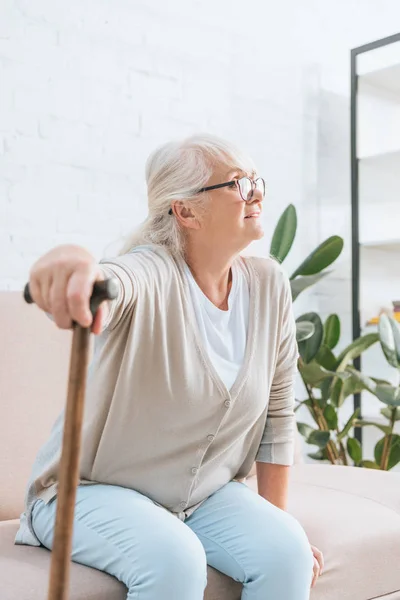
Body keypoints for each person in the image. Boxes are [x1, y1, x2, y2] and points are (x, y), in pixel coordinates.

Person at [15, 134, 323, 599]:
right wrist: (75, 265)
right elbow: (113, 281)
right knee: (175, 559)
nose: (256, 193)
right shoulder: (151, 272)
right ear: (186, 211)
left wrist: (278, 524)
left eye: (256, 180)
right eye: (237, 184)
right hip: (86, 491)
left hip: (200, 496)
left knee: (289, 553)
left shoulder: (269, 285)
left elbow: (277, 418)